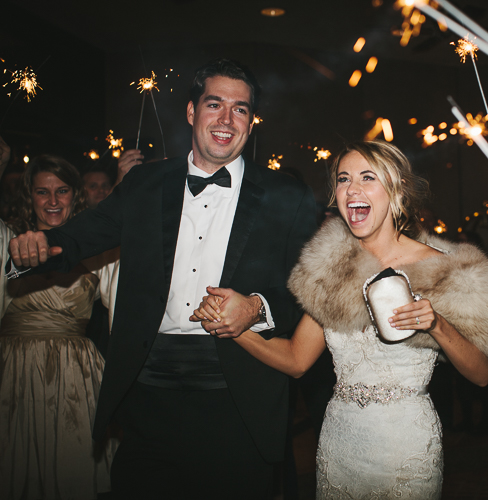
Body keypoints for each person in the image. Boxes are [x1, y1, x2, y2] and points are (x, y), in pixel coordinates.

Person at [7, 59, 318, 499]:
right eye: (215, 105)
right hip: (148, 391)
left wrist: (256, 308)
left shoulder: (288, 196)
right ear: (191, 112)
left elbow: (308, 289)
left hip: (238, 394)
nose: (227, 120)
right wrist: (39, 245)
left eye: (241, 109)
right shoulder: (145, 183)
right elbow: (83, 235)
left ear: (252, 121)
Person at [193, 141, 488, 498]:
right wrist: (232, 327)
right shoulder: (333, 268)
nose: (351, 189)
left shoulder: (445, 272)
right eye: (343, 179)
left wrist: (438, 325)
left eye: (367, 177)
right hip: (340, 445)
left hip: (406, 449)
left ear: (397, 189)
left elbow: (481, 376)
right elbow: (296, 360)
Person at [0, 155, 119, 499]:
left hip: (74, 376)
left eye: (62, 191)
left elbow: (123, 304)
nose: (52, 201)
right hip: (12, 372)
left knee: (72, 473)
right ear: (30, 196)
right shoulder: (8, 240)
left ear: (75, 194)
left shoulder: (96, 250)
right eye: (42, 192)